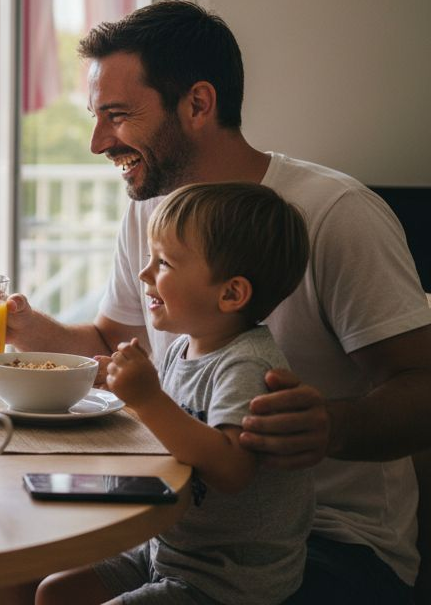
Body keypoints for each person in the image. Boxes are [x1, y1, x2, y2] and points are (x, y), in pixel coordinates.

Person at [0, 1, 431, 601]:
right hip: (176, 515)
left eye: (118, 116)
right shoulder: (154, 208)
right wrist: (26, 328)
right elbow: (116, 348)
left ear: (198, 104)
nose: (99, 142)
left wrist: (330, 427)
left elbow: (422, 380)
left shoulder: (334, 215)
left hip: (322, 542)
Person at [38, 182, 314, 604]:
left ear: (230, 293)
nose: (144, 274)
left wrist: (147, 398)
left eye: (163, 262)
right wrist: (117, 383)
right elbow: (167, 433)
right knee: (56, 593)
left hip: (226, 579)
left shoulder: (247, 365)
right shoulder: (183, 349)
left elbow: (231, 469)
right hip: (164, 550)